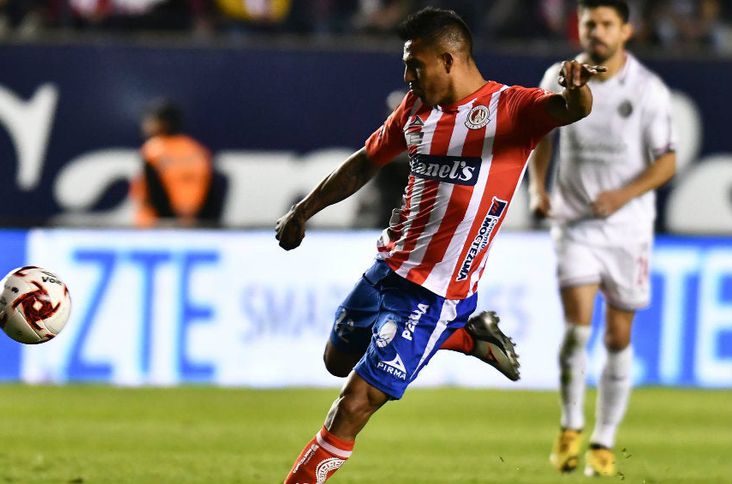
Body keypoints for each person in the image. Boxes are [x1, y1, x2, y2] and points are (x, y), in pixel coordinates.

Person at [275, 7, 604, 483]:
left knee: (354, 404)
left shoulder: (510, 109)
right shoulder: (415, 110)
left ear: (449, 60)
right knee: (336, 360)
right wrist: (303, 211)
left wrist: (576, 89)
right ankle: (468, 337)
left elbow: (571, 109)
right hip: (387, 268)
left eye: (415, 65)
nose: (408, 77)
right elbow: (365, 161)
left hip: (435, 293)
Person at [527, 0, 677, 477]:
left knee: (618, 336)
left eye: (607, 24)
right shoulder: (558, 76)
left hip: (628, 229)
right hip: (574, 224)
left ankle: (603, 441)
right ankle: (571, 425)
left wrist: (622, 195)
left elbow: (667, 161)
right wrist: (537, 188)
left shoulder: (648, 90)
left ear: (626, 31)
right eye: (589, 23)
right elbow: (541, 135)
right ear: (580, 26)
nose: (597, 31)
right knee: (577, 328)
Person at [129, 100, 226, 227]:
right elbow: (212, 190)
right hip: (195, 224)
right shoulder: (197, 150)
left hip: (156, 226)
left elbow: (153, 193)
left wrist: (169, 220)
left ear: (164, 123)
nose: (146, 124)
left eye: (151, 119)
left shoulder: (153, 150)